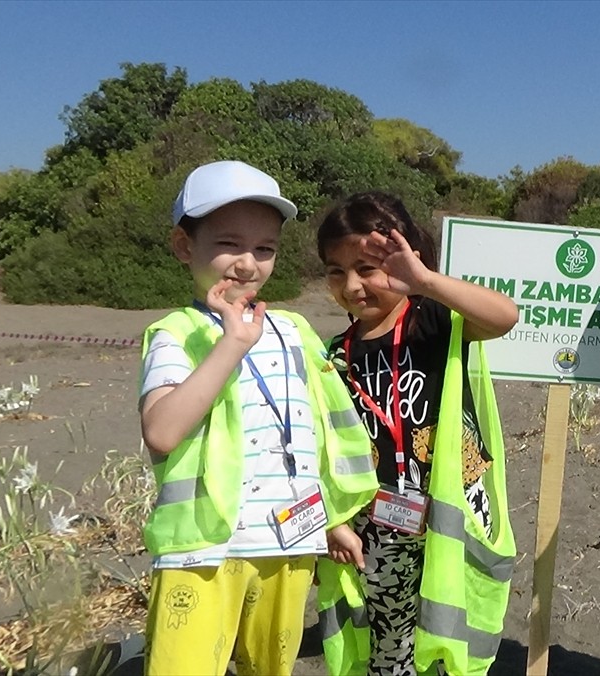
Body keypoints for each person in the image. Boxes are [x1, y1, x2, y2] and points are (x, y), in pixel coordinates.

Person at [139, 160, 378, 675]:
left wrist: (333, 519)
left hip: (289, 546)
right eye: (229, 243)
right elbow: (161, 431)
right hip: (201, 552)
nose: (248, 263)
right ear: (184, 246)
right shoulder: (176, 334)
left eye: (265, 248)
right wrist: (232, 344)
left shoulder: (293, 329)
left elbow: (315, 433)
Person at [313, 191, 519, 676]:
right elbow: (322, 447)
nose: (352, 286)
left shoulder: (436, 323)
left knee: (448, 638)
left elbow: (505, 316)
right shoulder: (333, 355)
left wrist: (425, 281)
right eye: (336, 272)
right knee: (388, 648)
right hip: (376, 531)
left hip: (446, 520)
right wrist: (333, 523)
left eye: (367, 269)